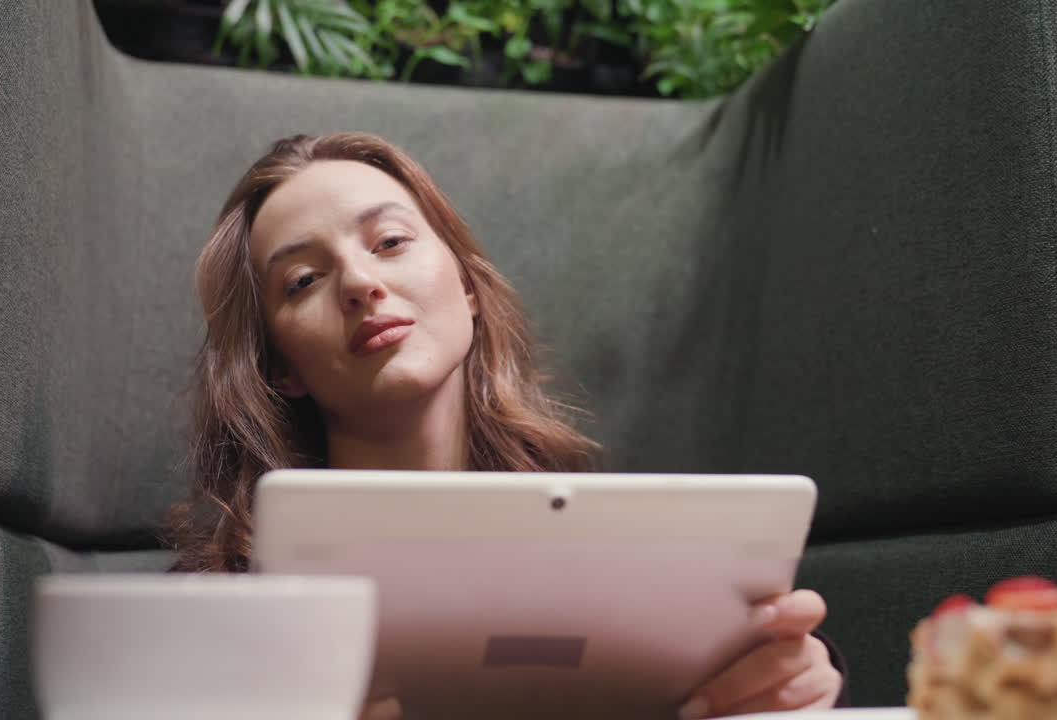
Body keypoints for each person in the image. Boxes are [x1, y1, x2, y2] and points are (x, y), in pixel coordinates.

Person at [162, 132, 844, 718]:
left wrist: (793, 683)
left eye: (391, 241)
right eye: (304, 279)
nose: (360, 282)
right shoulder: (218, 619)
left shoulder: (627, 555)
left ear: (467, 288)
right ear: (282, 369)